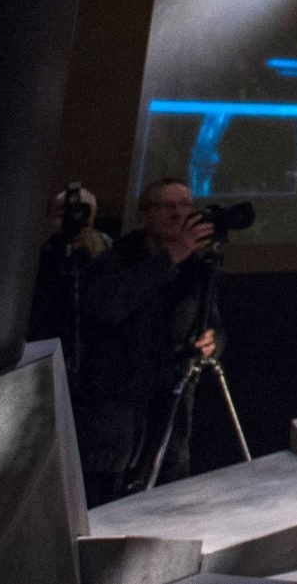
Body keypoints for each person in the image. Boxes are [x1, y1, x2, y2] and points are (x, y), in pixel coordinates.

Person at [73, 178, 222, 504]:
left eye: (184, 204)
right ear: (144, 217)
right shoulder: (115, 261)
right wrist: (170, 257)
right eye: (167, 205)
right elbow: (108, 306)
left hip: (170, 417)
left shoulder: (195, 269)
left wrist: (212, 341)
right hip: (116, 424)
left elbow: (213, 324)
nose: (178, 213)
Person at [28, 182, 110, 374]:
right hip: (38, 354)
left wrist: (95, 260)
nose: (73, 222)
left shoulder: (104, 255)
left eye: (82, 215)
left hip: (84, 364)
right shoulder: (32, 259)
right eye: (62, 215)